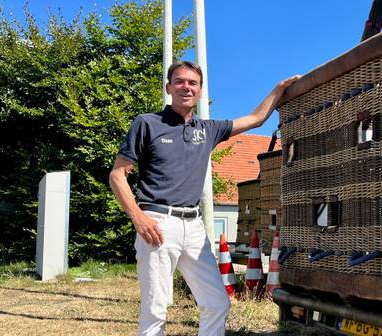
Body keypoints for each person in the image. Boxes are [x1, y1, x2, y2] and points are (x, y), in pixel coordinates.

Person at [109, 60, 299, 336]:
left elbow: (255, 119)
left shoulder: (207, 129)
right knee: (156, 308)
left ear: (199, 91)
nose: (186, 87)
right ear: (169, 87)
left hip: (194, 226)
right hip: (158, 223)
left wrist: (279, 89)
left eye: (193, 83)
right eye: (180, 82)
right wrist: (139, 218)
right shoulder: (147, 124)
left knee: (217, 302)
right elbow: (117, 175)